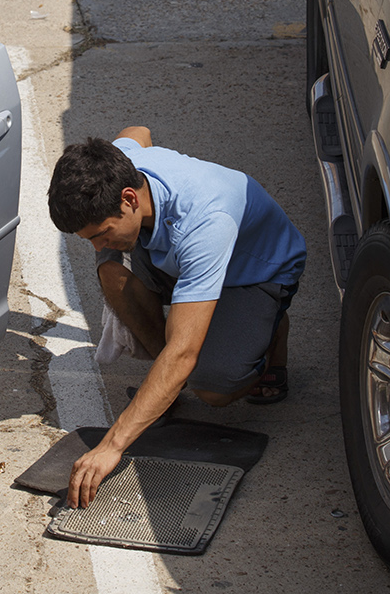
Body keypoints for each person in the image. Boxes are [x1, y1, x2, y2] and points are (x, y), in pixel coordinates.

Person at [46, 127, 307, 507]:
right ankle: (164, 390)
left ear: (130, 198)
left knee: (212, 385)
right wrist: (109, 247)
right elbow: (137, 132)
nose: (97, 244)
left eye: (102, 233)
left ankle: (271, 330)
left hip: (254, 270)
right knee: (110, 269)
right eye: (88, 238)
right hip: (175, 251)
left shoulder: (205, 222)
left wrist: (112, 445)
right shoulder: (118, 164)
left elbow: (183, 352)